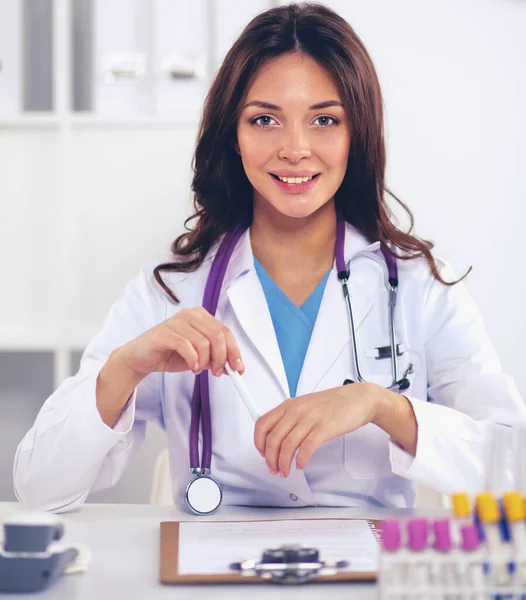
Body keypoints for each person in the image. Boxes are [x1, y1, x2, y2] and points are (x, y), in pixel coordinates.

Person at [14, 3, 525, 513]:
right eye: (265, 120)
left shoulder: (420, 286)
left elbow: (513, 473)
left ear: (357, 134)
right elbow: (39, 488)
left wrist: (382, 406)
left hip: (367, 588)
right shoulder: (170, 291)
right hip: (215, 587)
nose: (296, 148)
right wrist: (126, 367)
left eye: (325, 119)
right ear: (233, 136)